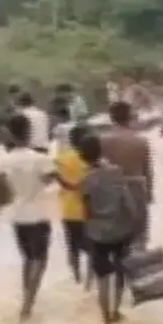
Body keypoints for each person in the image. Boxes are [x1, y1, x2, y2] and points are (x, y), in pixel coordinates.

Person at [68, 134, 145, 324]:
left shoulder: (85, 181)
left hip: (98, 234)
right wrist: (135, 223)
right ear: (101, 151)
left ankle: (106, 320)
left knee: (102, 276)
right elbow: (128, 203)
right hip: (121, 230)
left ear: (82, 156)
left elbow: (86, 211)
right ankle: (116, 311)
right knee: (120, 272)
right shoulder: (116, 173)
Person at [0, 113, 56, 321]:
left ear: (10, 134)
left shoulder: (5, 161)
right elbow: (51, 180)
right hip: (38, 213)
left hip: (17, 215)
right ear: (30, 132)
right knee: (40, 259)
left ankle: (27, 297)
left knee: (28, 258)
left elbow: (1, 192)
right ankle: (28, 305)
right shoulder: (40, 159)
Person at [99, 101, 154, 248]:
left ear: (111, 117)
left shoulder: (103, 140)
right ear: (130, 117)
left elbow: (96, 169)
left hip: (111, 190)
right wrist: (149, 193)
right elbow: (147, 170)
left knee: (113, 238)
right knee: (139, 237)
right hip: (136, 189)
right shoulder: (141, 141)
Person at [55, 123, 93, 287]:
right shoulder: (90, 159)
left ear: (70, 140)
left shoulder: (61, 159)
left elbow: (55, 179)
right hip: (88, 211)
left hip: (68, 210)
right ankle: (89, 282)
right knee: (92, 249)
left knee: (73, 248)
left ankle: (76, 278)